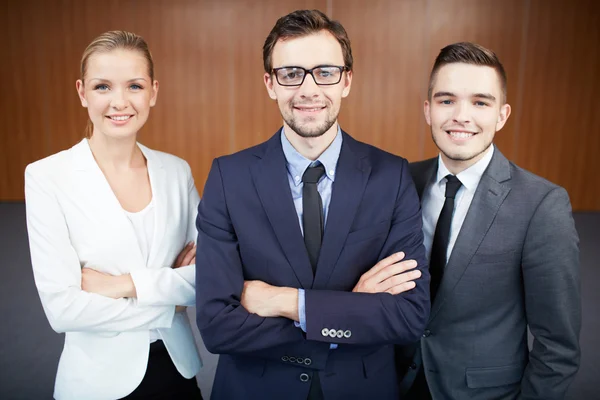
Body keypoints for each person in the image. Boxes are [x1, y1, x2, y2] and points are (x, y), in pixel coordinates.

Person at [195, 9, 429, 400]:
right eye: (290, 74)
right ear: (270, 83)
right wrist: (352, 310)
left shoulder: (391, 175)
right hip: (256, 389)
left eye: (325, 72)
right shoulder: (227, 177)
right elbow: (218, 326)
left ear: (346, 81)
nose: (308, 90)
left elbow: (408, 316)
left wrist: (284, 302)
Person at [395, 42, 581, 399]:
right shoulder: (401, 181)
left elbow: (558, 346)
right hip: (394, 383)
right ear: (428, 110)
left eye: (480, 102)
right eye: (446, 100)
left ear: (502, 115)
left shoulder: (542, 204)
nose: (461, 116)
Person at [25, 31, 203, 400]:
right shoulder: (46, 177)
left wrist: (123, 285)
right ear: (82, 92)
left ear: (153, 91)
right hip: (97, 383)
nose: (119, 102)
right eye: (103, 86)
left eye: (134, 86)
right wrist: (168, 297)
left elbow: (210, 278)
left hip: (178, 371)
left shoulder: (176, 172)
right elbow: (63, 310)